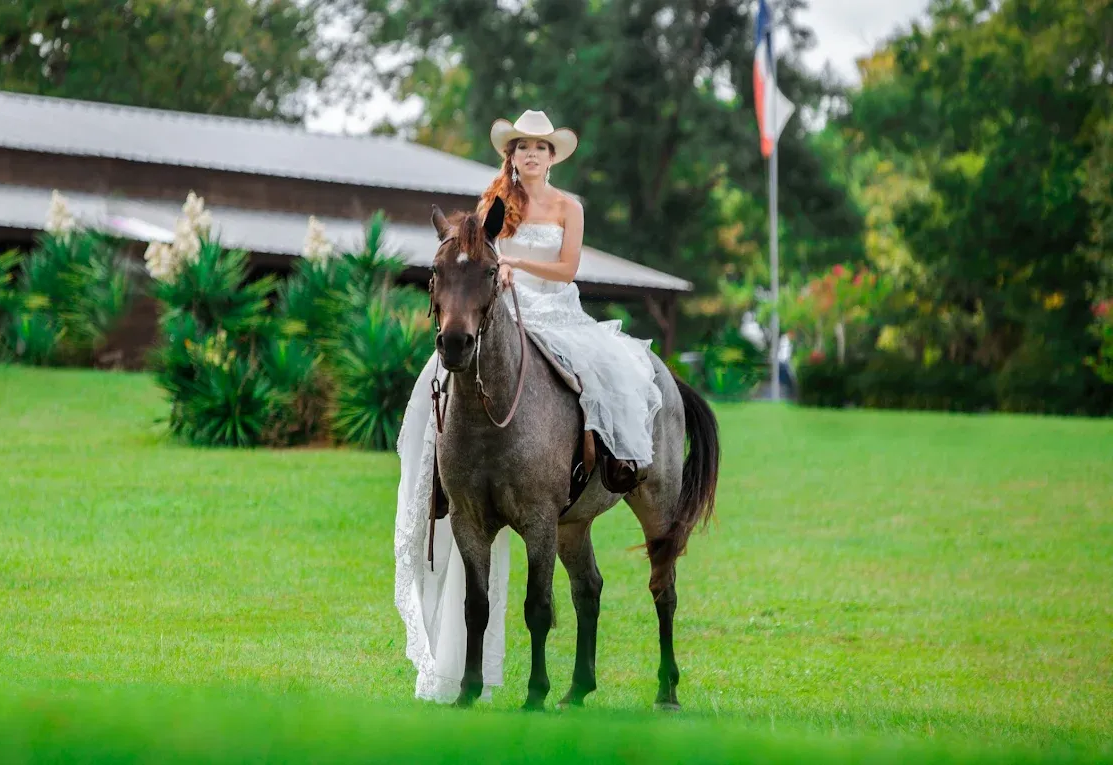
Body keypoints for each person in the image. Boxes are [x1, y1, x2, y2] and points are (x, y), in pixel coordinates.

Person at [394, 109, 663, 702]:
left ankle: (608, 459)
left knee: (595, 374)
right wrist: (490, 271)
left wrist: (516, 265)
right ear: (511, 155)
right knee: (436, 381)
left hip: (554, 311)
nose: (531, 156)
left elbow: (568, 268)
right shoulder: (493, 203)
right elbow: (469, 258)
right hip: (501, 312)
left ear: (553, 155)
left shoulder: (570, 207)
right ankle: (436, 478)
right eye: (522, 148)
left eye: (540, 148)